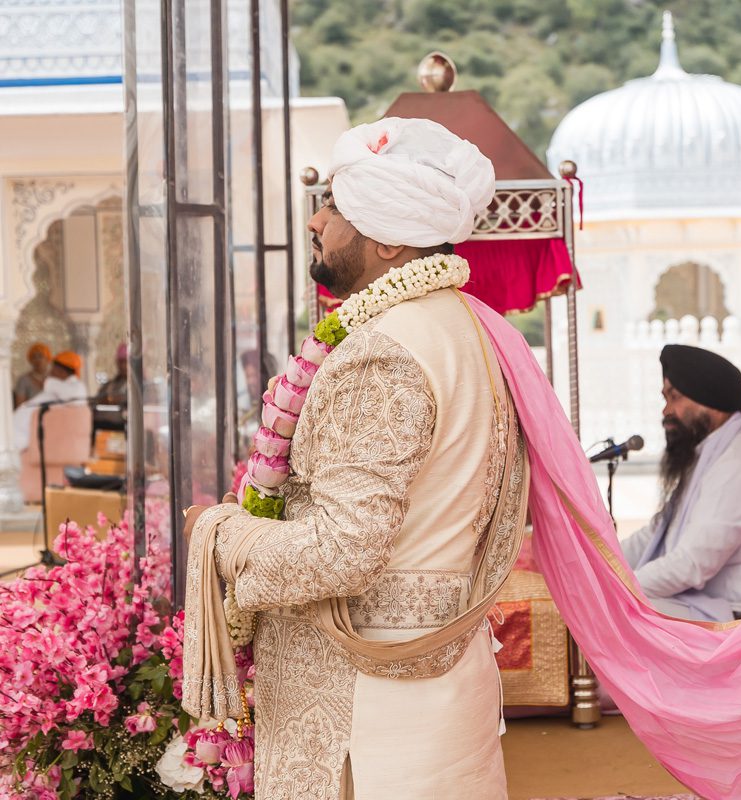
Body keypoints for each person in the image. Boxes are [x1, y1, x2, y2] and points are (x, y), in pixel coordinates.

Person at [182, 118, 525, 799]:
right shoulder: (464, 327)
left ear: (388, 236)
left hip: (370, 711)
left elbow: (343, 551)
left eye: (335, 205)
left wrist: (219, 533)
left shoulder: (381, 352)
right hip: (441, 680)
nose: (316, 221)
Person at [619, 344, 741, 621]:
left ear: (709, 402)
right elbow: (656, 532)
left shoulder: (738, 465)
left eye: (675, 398)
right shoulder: (710, 455)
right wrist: (601, 562)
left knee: (622, 611)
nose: (666, 410)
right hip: (717, 603)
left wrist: (619, 587)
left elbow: (691, 564)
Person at [12, 350, 88, 452]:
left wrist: (50, 383)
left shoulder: (75, 388)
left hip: (21, 436)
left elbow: (75, 400)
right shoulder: (60, 387)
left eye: (53, 369)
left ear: (61, 370)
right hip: (16, 432)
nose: (50, 372)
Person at [93, 342, 128, 429]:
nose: (123, 365)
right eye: (120, 362)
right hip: (103, 429)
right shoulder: (109, 385)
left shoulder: (142, 386)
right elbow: (97, 401)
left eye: (126, 361)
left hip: (122, 428)